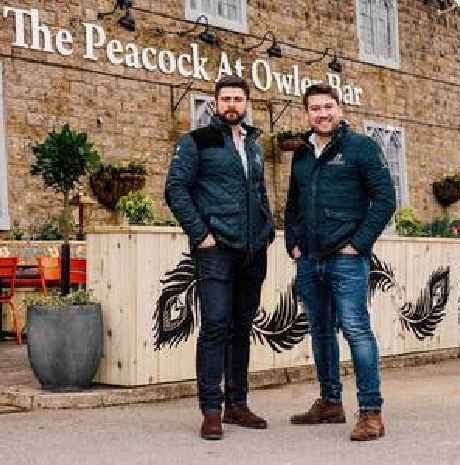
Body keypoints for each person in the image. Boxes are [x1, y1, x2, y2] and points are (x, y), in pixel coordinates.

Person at [284, 82, 396, 441]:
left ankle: (371, 412)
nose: (322, 113)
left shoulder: (361, 148)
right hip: (310, 260)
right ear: (307, 113)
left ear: (339, 108)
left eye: (328, 107)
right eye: (315, 108)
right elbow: (292, 205)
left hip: (346, 259)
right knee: (320, 333)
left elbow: (384, 200)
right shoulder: (302, 153)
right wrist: (294, 244)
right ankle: (330, 402)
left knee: (356, 331)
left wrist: (358, 243)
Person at [165, 75, 274, 440]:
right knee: (215, 325)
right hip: (216, 250)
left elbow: (259, 192)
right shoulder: (196, 142)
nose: (232, 105)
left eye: (238, 99)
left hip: (252, 250)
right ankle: (211, 409)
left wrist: (267, 229)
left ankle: (237, 404)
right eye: (225, 99)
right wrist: (201, 234)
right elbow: (175, 189)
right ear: (215, 103)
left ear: (246, 104)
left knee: (242, 328)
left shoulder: (254, 146)